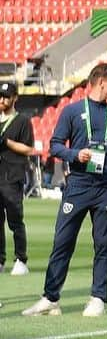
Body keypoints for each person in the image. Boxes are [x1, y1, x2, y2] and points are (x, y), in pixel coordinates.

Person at [22, 63, 107, 318]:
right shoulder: (72, 111)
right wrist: (76, 154)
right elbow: (54, 146)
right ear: (100, 82)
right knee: (62, 242)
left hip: (106, 187)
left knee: (103, 244)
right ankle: (50, 298)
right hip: (78, 186)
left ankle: (98, 297)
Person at [0, 79, 35, 282]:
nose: (2, 100)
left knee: (15, 219)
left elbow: (28, 148)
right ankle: (1, 258)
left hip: (12, 175)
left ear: (14, 98)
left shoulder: (22, 121)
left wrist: (7, 142)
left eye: (6, 97)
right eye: (1, 96)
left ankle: (21, 258)